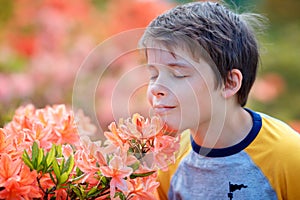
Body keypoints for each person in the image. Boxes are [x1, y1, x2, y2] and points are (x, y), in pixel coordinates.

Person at [138, 1, 300, 199]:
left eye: (178, 74)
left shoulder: (289, 157)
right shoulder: (169, 160)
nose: (156, 88)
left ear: (229, 83)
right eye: (153, 74)